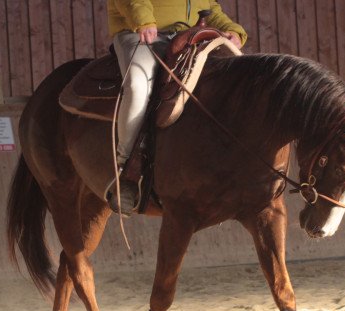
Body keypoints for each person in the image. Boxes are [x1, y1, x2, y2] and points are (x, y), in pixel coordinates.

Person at [106, 0, 247, 215]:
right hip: (142, 34)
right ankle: (126, 171)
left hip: (188, 38)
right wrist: (143, 20)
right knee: (138, 84)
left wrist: (233, 31)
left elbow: (210, 7)